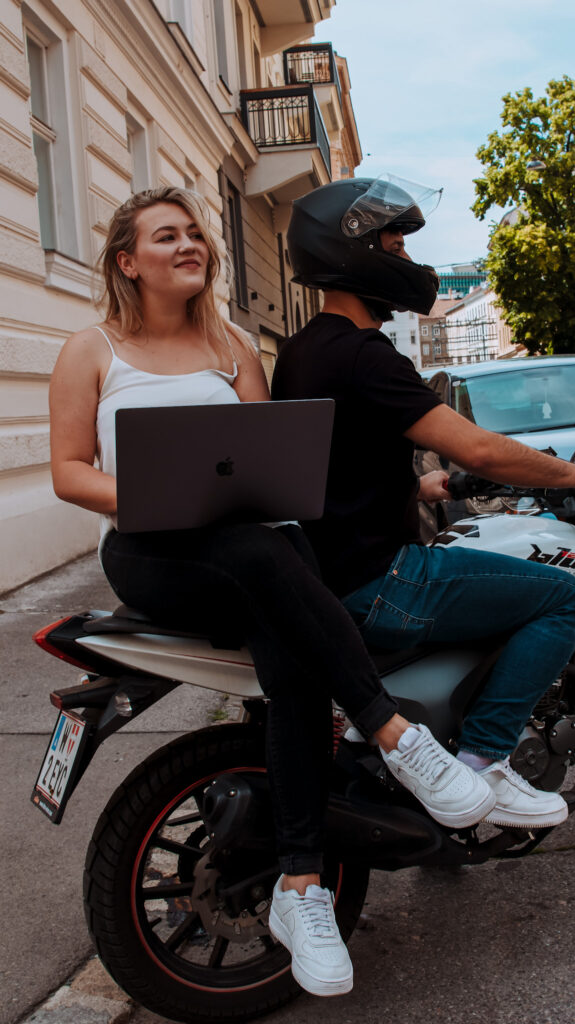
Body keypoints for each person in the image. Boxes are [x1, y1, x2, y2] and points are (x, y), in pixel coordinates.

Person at [48, 185, 501, 999]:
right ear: (127, 261)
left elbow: (268, 464)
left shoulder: (231, 350)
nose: (188, 244)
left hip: (247, 553)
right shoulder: (91, 350)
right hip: (154, 556)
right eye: (165, 236)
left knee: (283, 619)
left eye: (193, 233)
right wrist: (161, 494)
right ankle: (395, 736)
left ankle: (301, 890)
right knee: (263, 557)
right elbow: (70, 474)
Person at [272, 175, 575, 829]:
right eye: (396, 246)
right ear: (355, 251)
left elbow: (333, 465)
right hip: (382, 580)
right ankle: (485, 762)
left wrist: (415, 486)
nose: (407, 262)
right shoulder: (365, 356)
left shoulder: (300, 351)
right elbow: (482, 451)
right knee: (555, 596)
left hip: (327, 573)